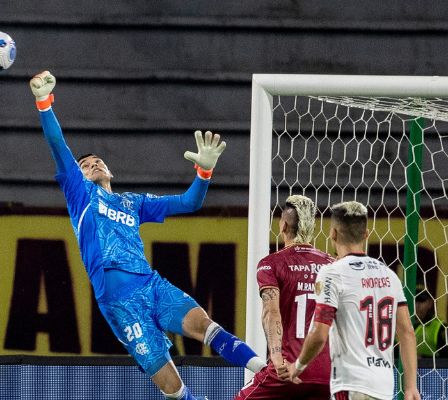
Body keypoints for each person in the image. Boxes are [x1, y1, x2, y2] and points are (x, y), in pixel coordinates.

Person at [30, 71, 265, 400]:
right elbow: (57, 143)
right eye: (84, 164)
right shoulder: (79, 194)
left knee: (207, 326)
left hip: (152, 285)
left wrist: (204, 172)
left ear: (110, 172)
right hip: (119, 304)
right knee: (173, 388)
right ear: (76, 175)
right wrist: (44, 103)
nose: (93, 163)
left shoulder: (132, 202)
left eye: (98, 161)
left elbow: (189, 202)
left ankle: (267, 371)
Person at [286, 201, 421, 400]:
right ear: (366, 234)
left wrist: (297, 366)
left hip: (351, 383)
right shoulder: (389, 275)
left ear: (333, 233)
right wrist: (410, 387)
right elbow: (407, 332)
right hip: (384, 386)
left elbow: (319, 334)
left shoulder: (332, 272)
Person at [235, 195, 336, 400]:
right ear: (311, 228)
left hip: (287, 370)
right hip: (328, 375)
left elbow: (270, 312)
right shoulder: (333, 265)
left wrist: (276, 356)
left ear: (283, 226)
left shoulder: (271, 263)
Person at [414, 289, 448, 359]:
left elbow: (445, 359)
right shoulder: (398, 324)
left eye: (421, 301)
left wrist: (423, 358)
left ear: (430, 303)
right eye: (414, 300)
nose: (417, 305)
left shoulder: (440, 327)